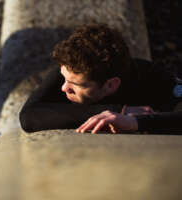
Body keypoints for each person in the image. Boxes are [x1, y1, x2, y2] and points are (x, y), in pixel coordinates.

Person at [19, 24, 182, 134]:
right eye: (64, 78)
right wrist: (120, 111)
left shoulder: (151, 77)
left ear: (110, 85)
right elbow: (29, 116)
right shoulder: (70, 71)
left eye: (75, 85)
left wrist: (136, 122)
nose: (64, 88)